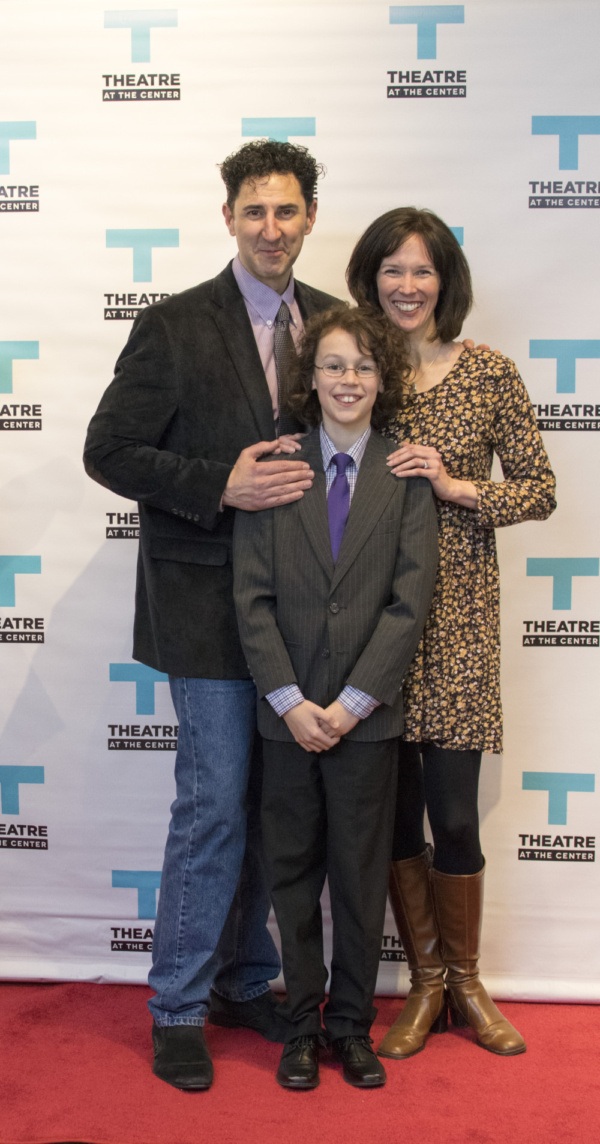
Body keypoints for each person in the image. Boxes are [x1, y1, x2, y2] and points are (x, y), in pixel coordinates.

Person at [83, 140, 341, 1091]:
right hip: (203, 608)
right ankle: (179, 1006)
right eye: (254, 212)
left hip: (309, 614)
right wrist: (216, 484)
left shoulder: (340, 324)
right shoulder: (174, 325)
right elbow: (108, 449)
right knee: (210, 806)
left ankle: (244, 981)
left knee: (272, 812)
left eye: (287, 211)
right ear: (228, 217)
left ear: (310, 215)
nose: (271, 228)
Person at [346, 208, 557, 1060]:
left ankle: (467, 982)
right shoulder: (354, 370)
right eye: (392, 270)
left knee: (454, 818)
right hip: (366, 623)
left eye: (422, 270)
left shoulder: (490, 373)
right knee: (393, 821)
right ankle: (425, 983)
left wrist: (457, 484)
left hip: (459, 622)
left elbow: (539, 488)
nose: (406, 285)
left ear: (446, 282)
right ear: (371, 280)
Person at [233, 306, 438, 1089]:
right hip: (287, 720)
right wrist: (290, 700)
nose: (347, 379)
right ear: (308, 377)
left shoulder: (403, 474)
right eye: (332, 365)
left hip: (366, 721)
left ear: (382, 380)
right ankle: (299, 1027)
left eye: (363, 366)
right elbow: (251, 600)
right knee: (291, 874)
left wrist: (352, 704)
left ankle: (350, 1025)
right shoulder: (278, 469)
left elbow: (407, 603)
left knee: (357, 876)